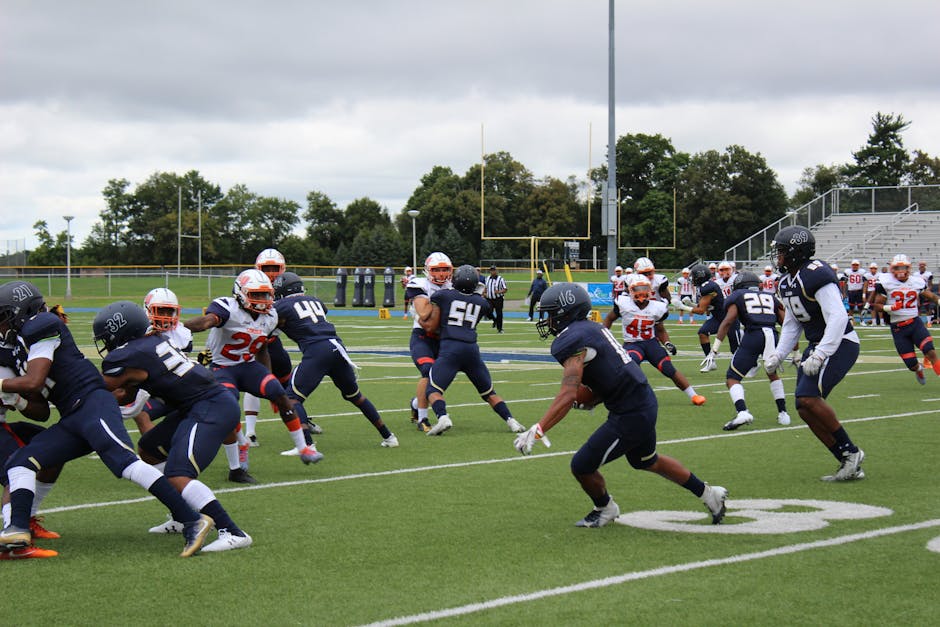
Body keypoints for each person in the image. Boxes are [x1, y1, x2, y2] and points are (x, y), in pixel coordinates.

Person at [0, 281, 212, 557]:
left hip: (92, 403)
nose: (2, 324)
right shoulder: (18, 343)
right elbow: (38, 404)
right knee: (20, 462)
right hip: (73, 414)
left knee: (124, 463)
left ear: (22, 310)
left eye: (4, 316)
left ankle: (192, 519)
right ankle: (17, 530)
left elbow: (34, 380)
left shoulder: (41, 323)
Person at [512, 282, 727, 528]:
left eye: (551, 314)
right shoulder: (590, 329)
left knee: (582, 466)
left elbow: (568, 392)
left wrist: (539, 428)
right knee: (646, 460)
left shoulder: (572, 339)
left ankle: (605, 508)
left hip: (631, 411)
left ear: (566, 313)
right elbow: (609, 372)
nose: (547, 320)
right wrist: (593, 396)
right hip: (641, 399)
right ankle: (710, 494)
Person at [95, 301, 252, 552]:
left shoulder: (129, 354)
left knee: (179, 474)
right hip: (197, 404)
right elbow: (125, 393)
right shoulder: (150, 344)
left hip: (210, 405)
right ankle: (181, 517)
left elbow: (102, 388)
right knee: (149, 449)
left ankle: (232, 530)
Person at [184, 269, 323, 468]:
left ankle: (303, 448)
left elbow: (262, 349)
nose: (262, 299)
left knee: (280, 394)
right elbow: (207, 321)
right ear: (240, 293)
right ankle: (242, 444)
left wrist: (267, 376)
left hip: (247, 366)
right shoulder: (227, 307)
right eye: (256, 294)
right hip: (222, 367)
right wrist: (180, 326)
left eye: (265, 294)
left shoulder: (271, 315)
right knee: (229, 407)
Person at [764, 226, 865, 481]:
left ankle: (852, 453)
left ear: (796, 253)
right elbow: (792, 323)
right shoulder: (786, 282)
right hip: (818, 344)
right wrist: (778, 354)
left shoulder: (815, 274)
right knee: (803, 406)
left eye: (782, 252)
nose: (778, 257)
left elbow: (838, 317)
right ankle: (846, 460)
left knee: (809, 398)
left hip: (839, 342)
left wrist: (820, 354)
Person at [271, 272, 398, 447]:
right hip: (337, 347)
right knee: (356, 397)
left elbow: (272, 320)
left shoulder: (281, 305)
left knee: (291, 399)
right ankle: (389, 437)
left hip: (317, 350)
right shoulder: (315, 301)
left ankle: (307, 445)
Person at [422, 265, 525, 436]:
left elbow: (434, 321)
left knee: (433, 390)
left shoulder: (442, 296)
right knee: (489, 393)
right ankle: (512, 421)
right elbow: (477, 302)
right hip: (471, 350)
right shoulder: (482, 303)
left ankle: (442, 417)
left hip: (451, 348)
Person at [700, 271, 791, 430]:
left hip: (754, 336)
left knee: (732, 378)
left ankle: (742, 412)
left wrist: (714, 350)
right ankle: (783, 413)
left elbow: (728, 321)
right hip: (772, 335)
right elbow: (787, 324)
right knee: (772, 373)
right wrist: (796, 352)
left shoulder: (738, 295)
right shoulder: (770, 297)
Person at [0, 340, 62, 560]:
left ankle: (27, 519)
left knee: (54, 448)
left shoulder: (13, 351)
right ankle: (13, 540)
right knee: (15, 470)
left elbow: (41, 413)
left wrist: (17, 400)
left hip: (3, 423)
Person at [603, 276, 706, 406]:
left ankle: (694, 395)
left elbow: (660, 330)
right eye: (637, 289)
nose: (641, 292)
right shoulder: (623, 303)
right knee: (631, 365)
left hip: (651, 343)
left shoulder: (658, 307)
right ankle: (625, 396)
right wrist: (603, 336)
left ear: (650, 289)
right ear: (630, 290)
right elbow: (609, 319)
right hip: (632, 343)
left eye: (644, 288)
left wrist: (667, 343)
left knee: (668, 368)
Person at [871, 254, 940, 384]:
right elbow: (877, 306)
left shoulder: (916, 281)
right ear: (892, 269)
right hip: (898, 328)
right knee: (911, 364)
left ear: (909, 268)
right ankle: (919, 368)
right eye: (897, 267)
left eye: (904, 267)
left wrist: (938, 300)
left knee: (930, 351)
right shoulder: (886, 282)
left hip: (915, 323)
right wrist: (891, 308)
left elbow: (931, 296)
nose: (901, 271)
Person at [405, 252, 453, 432]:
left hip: (444, 339)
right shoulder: (419, 284)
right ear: (428, 270)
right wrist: (443, 299)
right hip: (422, 337)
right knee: (427, 371)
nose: (441, 274)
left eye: (445, 269)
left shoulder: (454, 286)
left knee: (439, 380)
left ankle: (417, 403)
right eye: (436, 270)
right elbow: (424, 314)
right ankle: (423, 419)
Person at [677, 263, 739, 371]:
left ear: (700, 276)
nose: (692, 278)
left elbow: (701, 311)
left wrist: (682, 306)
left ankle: (752, 364)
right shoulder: (705, 286)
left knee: (735, 349)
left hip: (729, 318)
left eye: (694, 276)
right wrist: (690, 304)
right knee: (703, 332)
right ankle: (710, 362)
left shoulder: (708, 287)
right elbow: (704, 307)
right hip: (718, 317)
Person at [483, 265, 507, 333]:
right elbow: (485, 287)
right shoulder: (487, 278)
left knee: (499, 313)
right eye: (491, 270)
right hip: (489, 298)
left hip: (498, 299)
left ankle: (500, 329)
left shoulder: (501, 279)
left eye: (494, 270)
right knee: (487, 311)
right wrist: (484, 293)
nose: (492, 271)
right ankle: (495, 320)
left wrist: (499, 292)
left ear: (496, 271)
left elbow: (505, 289)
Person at [844, 260, 866, 325]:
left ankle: (862, 320)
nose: (855, 266)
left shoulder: (862, 272)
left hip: (859, 291)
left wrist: (864, 293)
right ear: (851, 265)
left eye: (856, 265)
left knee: (860, 307)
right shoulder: (848, 272)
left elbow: (865, 282)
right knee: (851, 307)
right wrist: (844, 293)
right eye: (854, 265)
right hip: (851, 291)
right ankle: (851, 320)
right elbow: (845, 283)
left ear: (858, 266)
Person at [862, 262, 884, 326]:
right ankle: (874, 322)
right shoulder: (867, 275)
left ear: (876, 269)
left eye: (874, 268)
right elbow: (865, 286)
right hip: (870, 292)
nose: (873, 270)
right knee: (872, 308)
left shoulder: (880, 275)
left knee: (879, 307)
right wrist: (864, 295)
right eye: (872, 268)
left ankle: (881, 322)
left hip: (877, 292)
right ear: (870, 269)